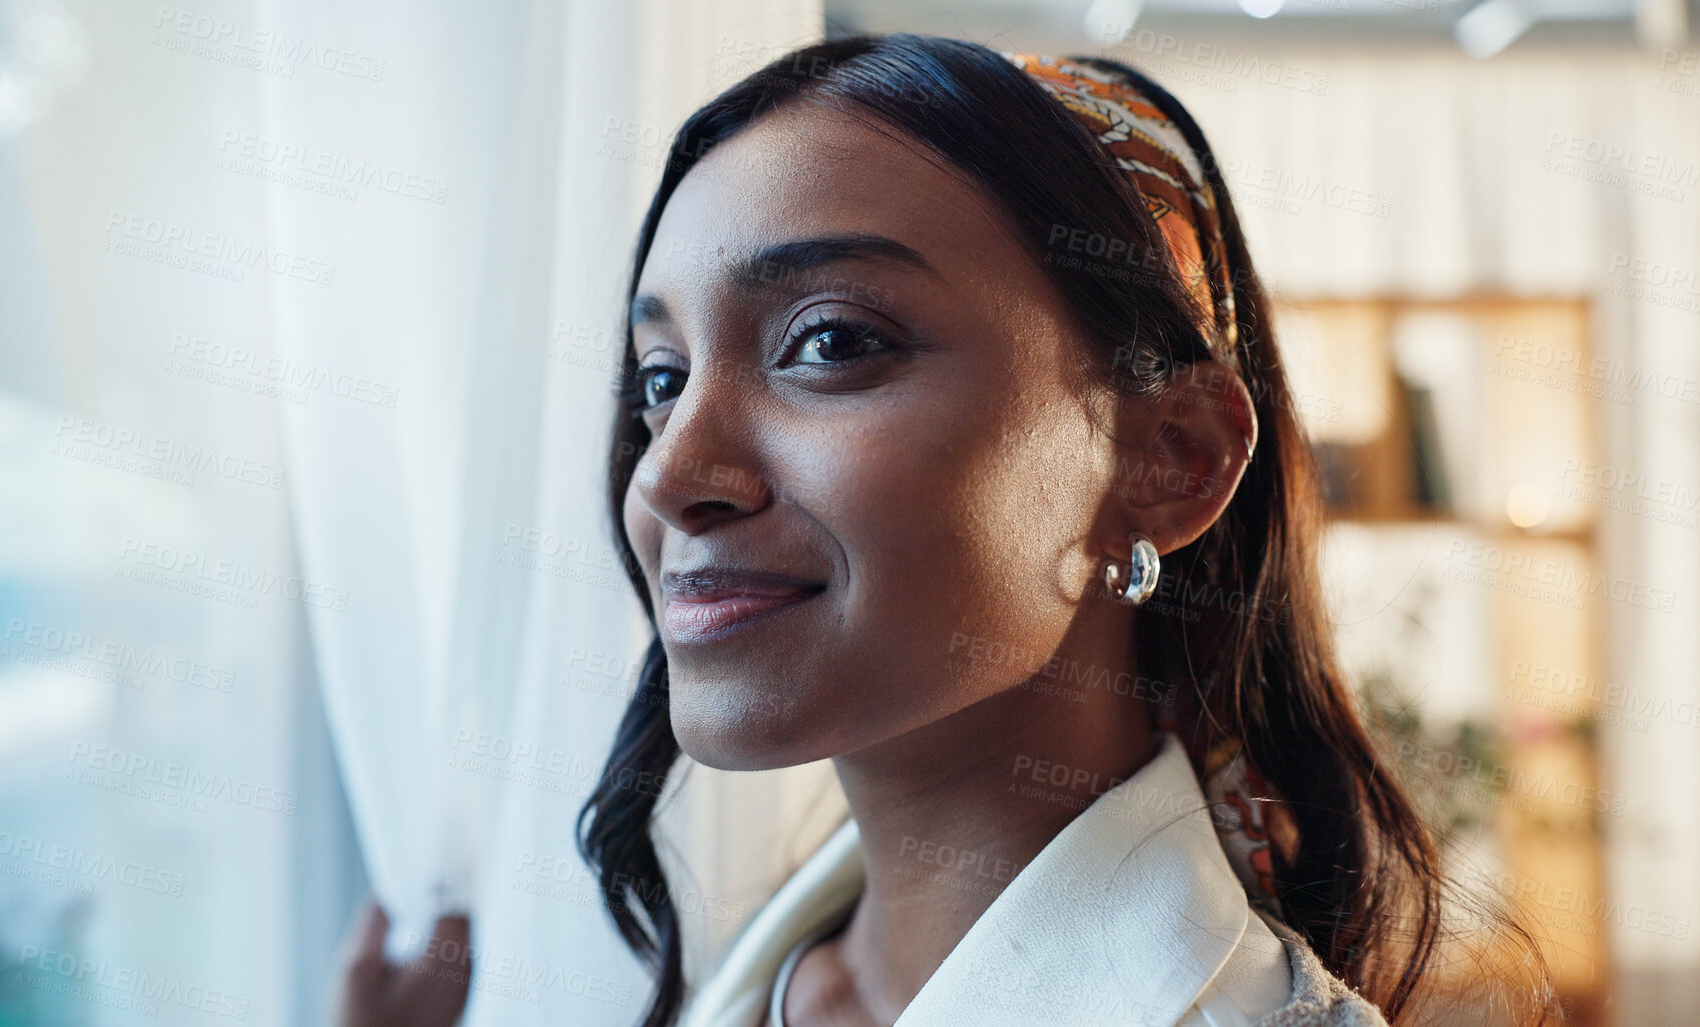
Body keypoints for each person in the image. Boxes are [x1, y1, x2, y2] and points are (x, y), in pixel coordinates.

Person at [335, 32, 1557, 1027]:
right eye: (661, 378)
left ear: (1171, 459)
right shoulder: (770, 976)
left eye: (831, 341)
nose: (672, 474)